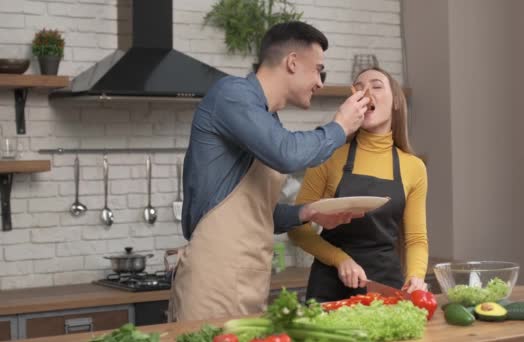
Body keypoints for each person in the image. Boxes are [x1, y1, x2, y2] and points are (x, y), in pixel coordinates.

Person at [169, 21, 371, 321]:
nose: (320, 82)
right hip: (215, 276)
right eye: (318, 70)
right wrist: (340, 126)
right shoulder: (232, 94)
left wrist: (307, 213)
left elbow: (255, 211)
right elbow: (286, 153)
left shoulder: (268, 120)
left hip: (248, 276)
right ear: (292, 63)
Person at [288, 67, 429, 303]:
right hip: (330, 284)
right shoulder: (328, 156)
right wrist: (339, 259)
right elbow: (298, 228)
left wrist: (415, 277)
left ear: (396, 102)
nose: (366, 92)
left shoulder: (413, 167)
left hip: (385, 284)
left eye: (376, 86)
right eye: (359, 87)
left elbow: (416, 240)